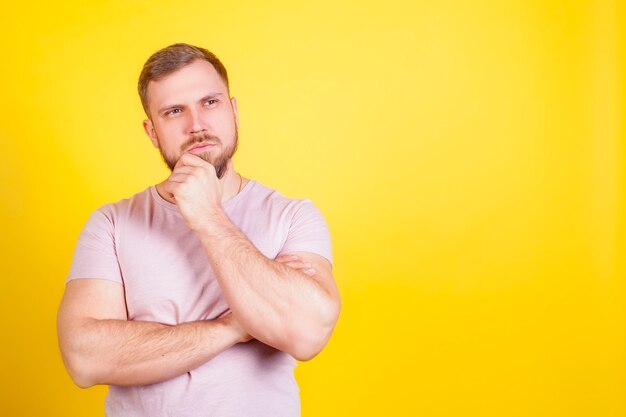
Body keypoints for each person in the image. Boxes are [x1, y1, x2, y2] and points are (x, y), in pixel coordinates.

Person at [57, 43, 341, 417]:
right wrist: (233, 327)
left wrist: (208, 216)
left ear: (234, 110)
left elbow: (307, 334)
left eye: (210, 102)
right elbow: (84, 358)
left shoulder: (292, 216)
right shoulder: (112, 223)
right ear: (152, 132)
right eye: (174, 111)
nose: (197, 124)